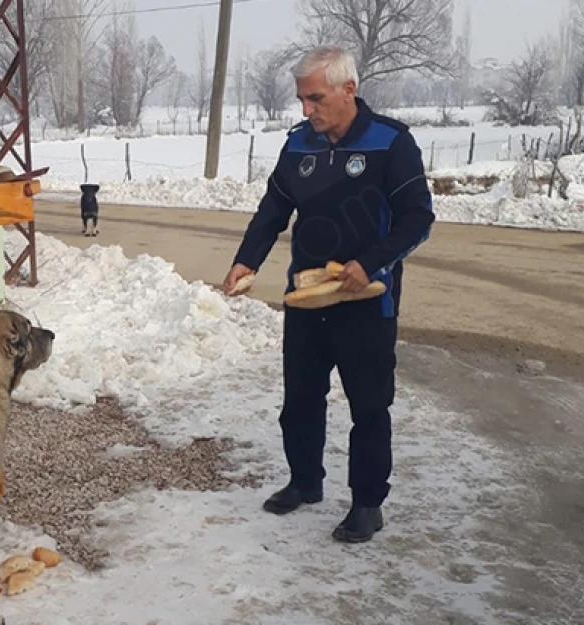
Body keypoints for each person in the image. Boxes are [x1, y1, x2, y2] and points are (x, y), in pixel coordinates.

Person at [222, 46, 434, 543]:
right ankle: (304, 481)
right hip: (307, 299)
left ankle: (366, 504)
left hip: (367, 302)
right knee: (299, 400)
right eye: (301, 99)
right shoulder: (299, 145)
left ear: (348, 90)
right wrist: (246, 259)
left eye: (314, 98)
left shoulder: (391, 143)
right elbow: (273, 209)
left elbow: (418, 219)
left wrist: (372, 261)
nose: (306, 110)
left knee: (369, 405)